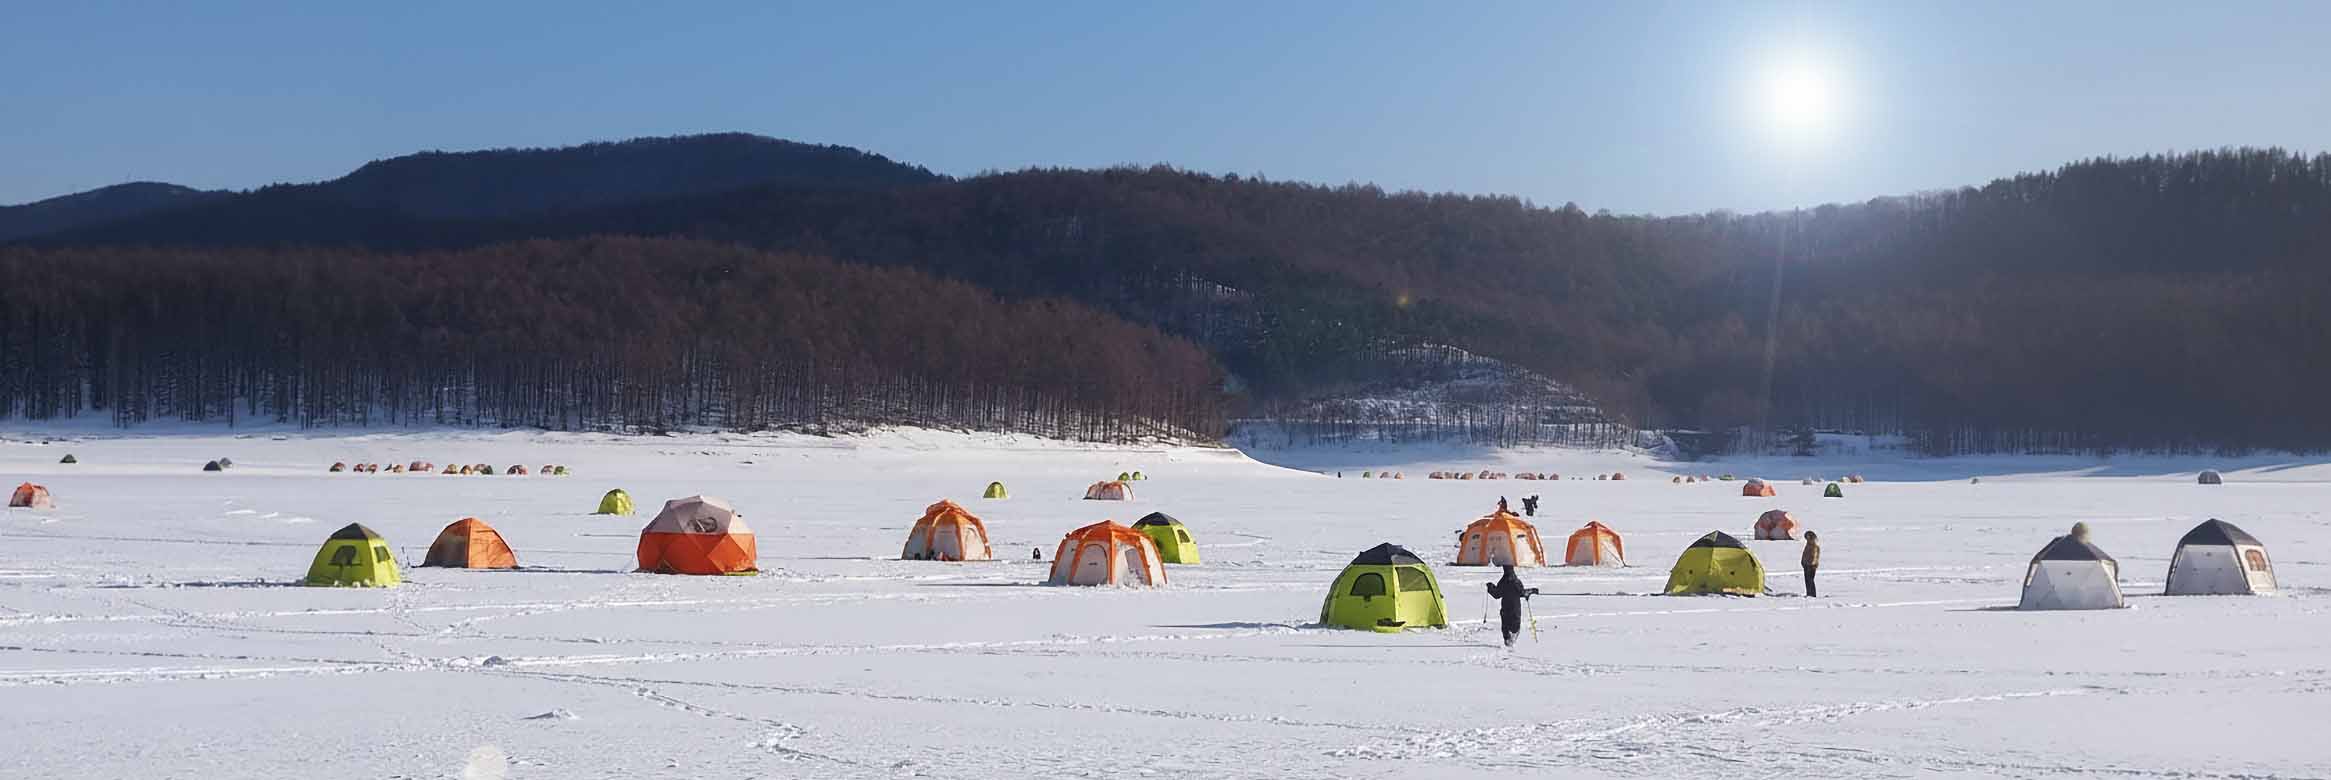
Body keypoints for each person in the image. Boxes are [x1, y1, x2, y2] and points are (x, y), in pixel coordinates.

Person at [1484, 565, 1539, 647]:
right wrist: (1532, 591)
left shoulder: (1503, 582)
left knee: (1505, 625)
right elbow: (1522, 593)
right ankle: (1511, 639)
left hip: (1505, 609)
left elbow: (1497, 594)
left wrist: (1490, 587)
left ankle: (1507, 639)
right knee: (1515, 627)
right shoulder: (1516, 581)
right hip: (1515, 610)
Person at [1801, 531, 1822, 598]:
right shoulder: (1808, 544)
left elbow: (1815, 556)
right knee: (1807, 580)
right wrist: (1803, 561)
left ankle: (1812, 594)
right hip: (1806, 564)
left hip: (1811, 566)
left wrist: (1811, 564)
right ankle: (1808, 593)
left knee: (1810, 580)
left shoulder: (1814, 545)